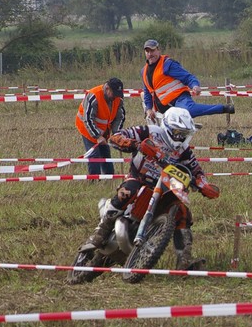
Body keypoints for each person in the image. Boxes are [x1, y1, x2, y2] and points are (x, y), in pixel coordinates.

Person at [86, 107, 220, 270]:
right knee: (128, 191)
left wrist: (204, 185)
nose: (181, 137)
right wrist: (135, 144)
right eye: (178, 132)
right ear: (168, 127)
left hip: (165, 187)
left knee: (183, 213)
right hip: (140, 177)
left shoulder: (184, 150)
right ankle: (102, 230)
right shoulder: (150, 131)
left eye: (184, 134)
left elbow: (196, 170)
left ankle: (184, 259)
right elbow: (116, 137)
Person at [142, 39, 234, 123]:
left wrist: (195, 85)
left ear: (158, 50)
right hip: (164, 107)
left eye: (152, 51)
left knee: (187, 111)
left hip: (180, 98)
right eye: (147, 51)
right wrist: (149, 109)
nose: (150, 54)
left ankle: (223, 108)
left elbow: (187, 77)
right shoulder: (144, 71)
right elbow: (147, 93)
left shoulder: (167, 64)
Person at [75, 77, 126, 176]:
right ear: (107, 88)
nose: (115, 97)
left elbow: (119, 117)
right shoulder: (94, 96)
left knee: (105, 153)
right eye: (114, 94)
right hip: (88, 128)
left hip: (104, 131)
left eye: (117, 94)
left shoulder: (118, 98)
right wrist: (97, 136)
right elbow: (88, 119)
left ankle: (109, 177)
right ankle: (94, 180)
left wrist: (117, 133)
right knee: (94, 155)